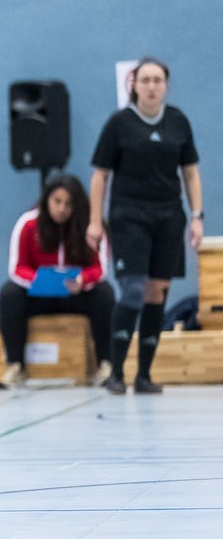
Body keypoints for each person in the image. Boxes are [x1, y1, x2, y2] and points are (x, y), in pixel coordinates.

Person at [88, 57, 204, 395]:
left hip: (168, 214)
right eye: (145, 80)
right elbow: (100, 175)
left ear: (166, 85)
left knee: (157, 293)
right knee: (134, 290)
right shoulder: (119, 124)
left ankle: (144, 375)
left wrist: (197, 216)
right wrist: (95, 221)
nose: (151, 87)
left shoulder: (178, 122)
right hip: (129, 215)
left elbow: (191, 172)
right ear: (133, 85)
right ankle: (116, 372)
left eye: (157, 80)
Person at [0, 173, 114, 387]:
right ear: (47, 200)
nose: (62, 209)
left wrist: (82, 280)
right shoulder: (27, 224)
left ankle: (104, 363)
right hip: (39, 295)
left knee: (105, 294)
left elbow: (101, 268)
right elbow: (17, 268)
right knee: (9, 294)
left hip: (76, 294)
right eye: (57, 202)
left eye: (69, 204)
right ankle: (15, 364)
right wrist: (38, 281)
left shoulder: (92, 225)